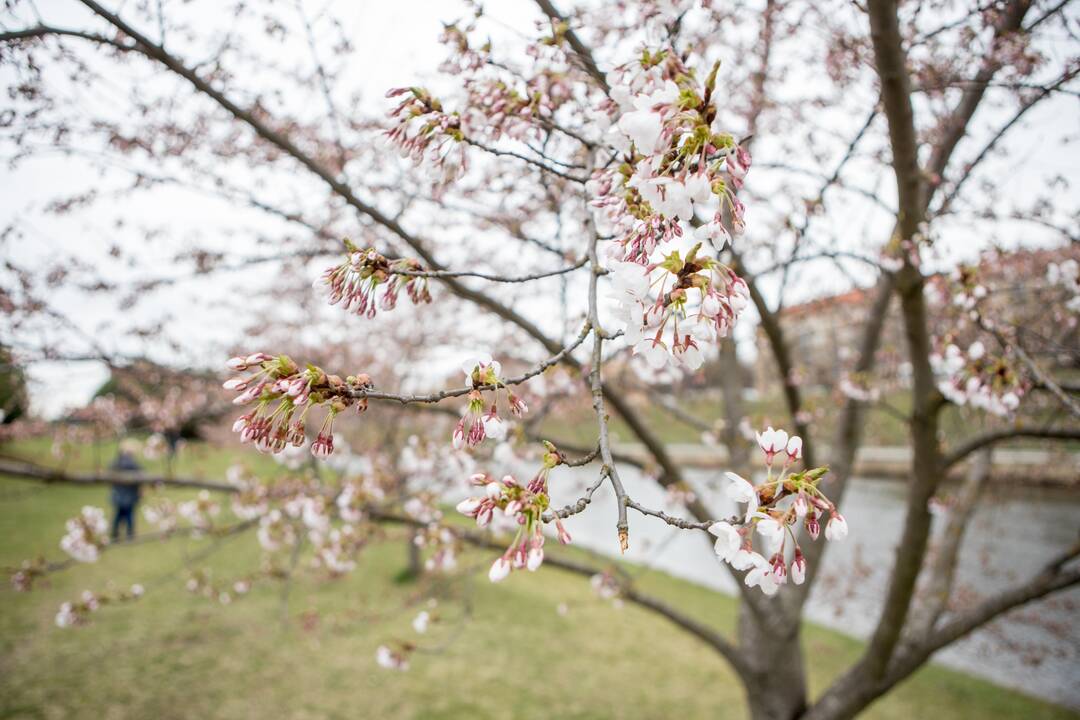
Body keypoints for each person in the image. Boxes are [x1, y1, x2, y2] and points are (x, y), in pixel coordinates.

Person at [109, 439, 143, 540]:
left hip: (118, 494)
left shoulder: (115, 463)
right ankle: (130, 534)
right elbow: (140, 478)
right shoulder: (134, 465)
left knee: (118, 515)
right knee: (129, 515)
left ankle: (115, 534)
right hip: (130, 494)